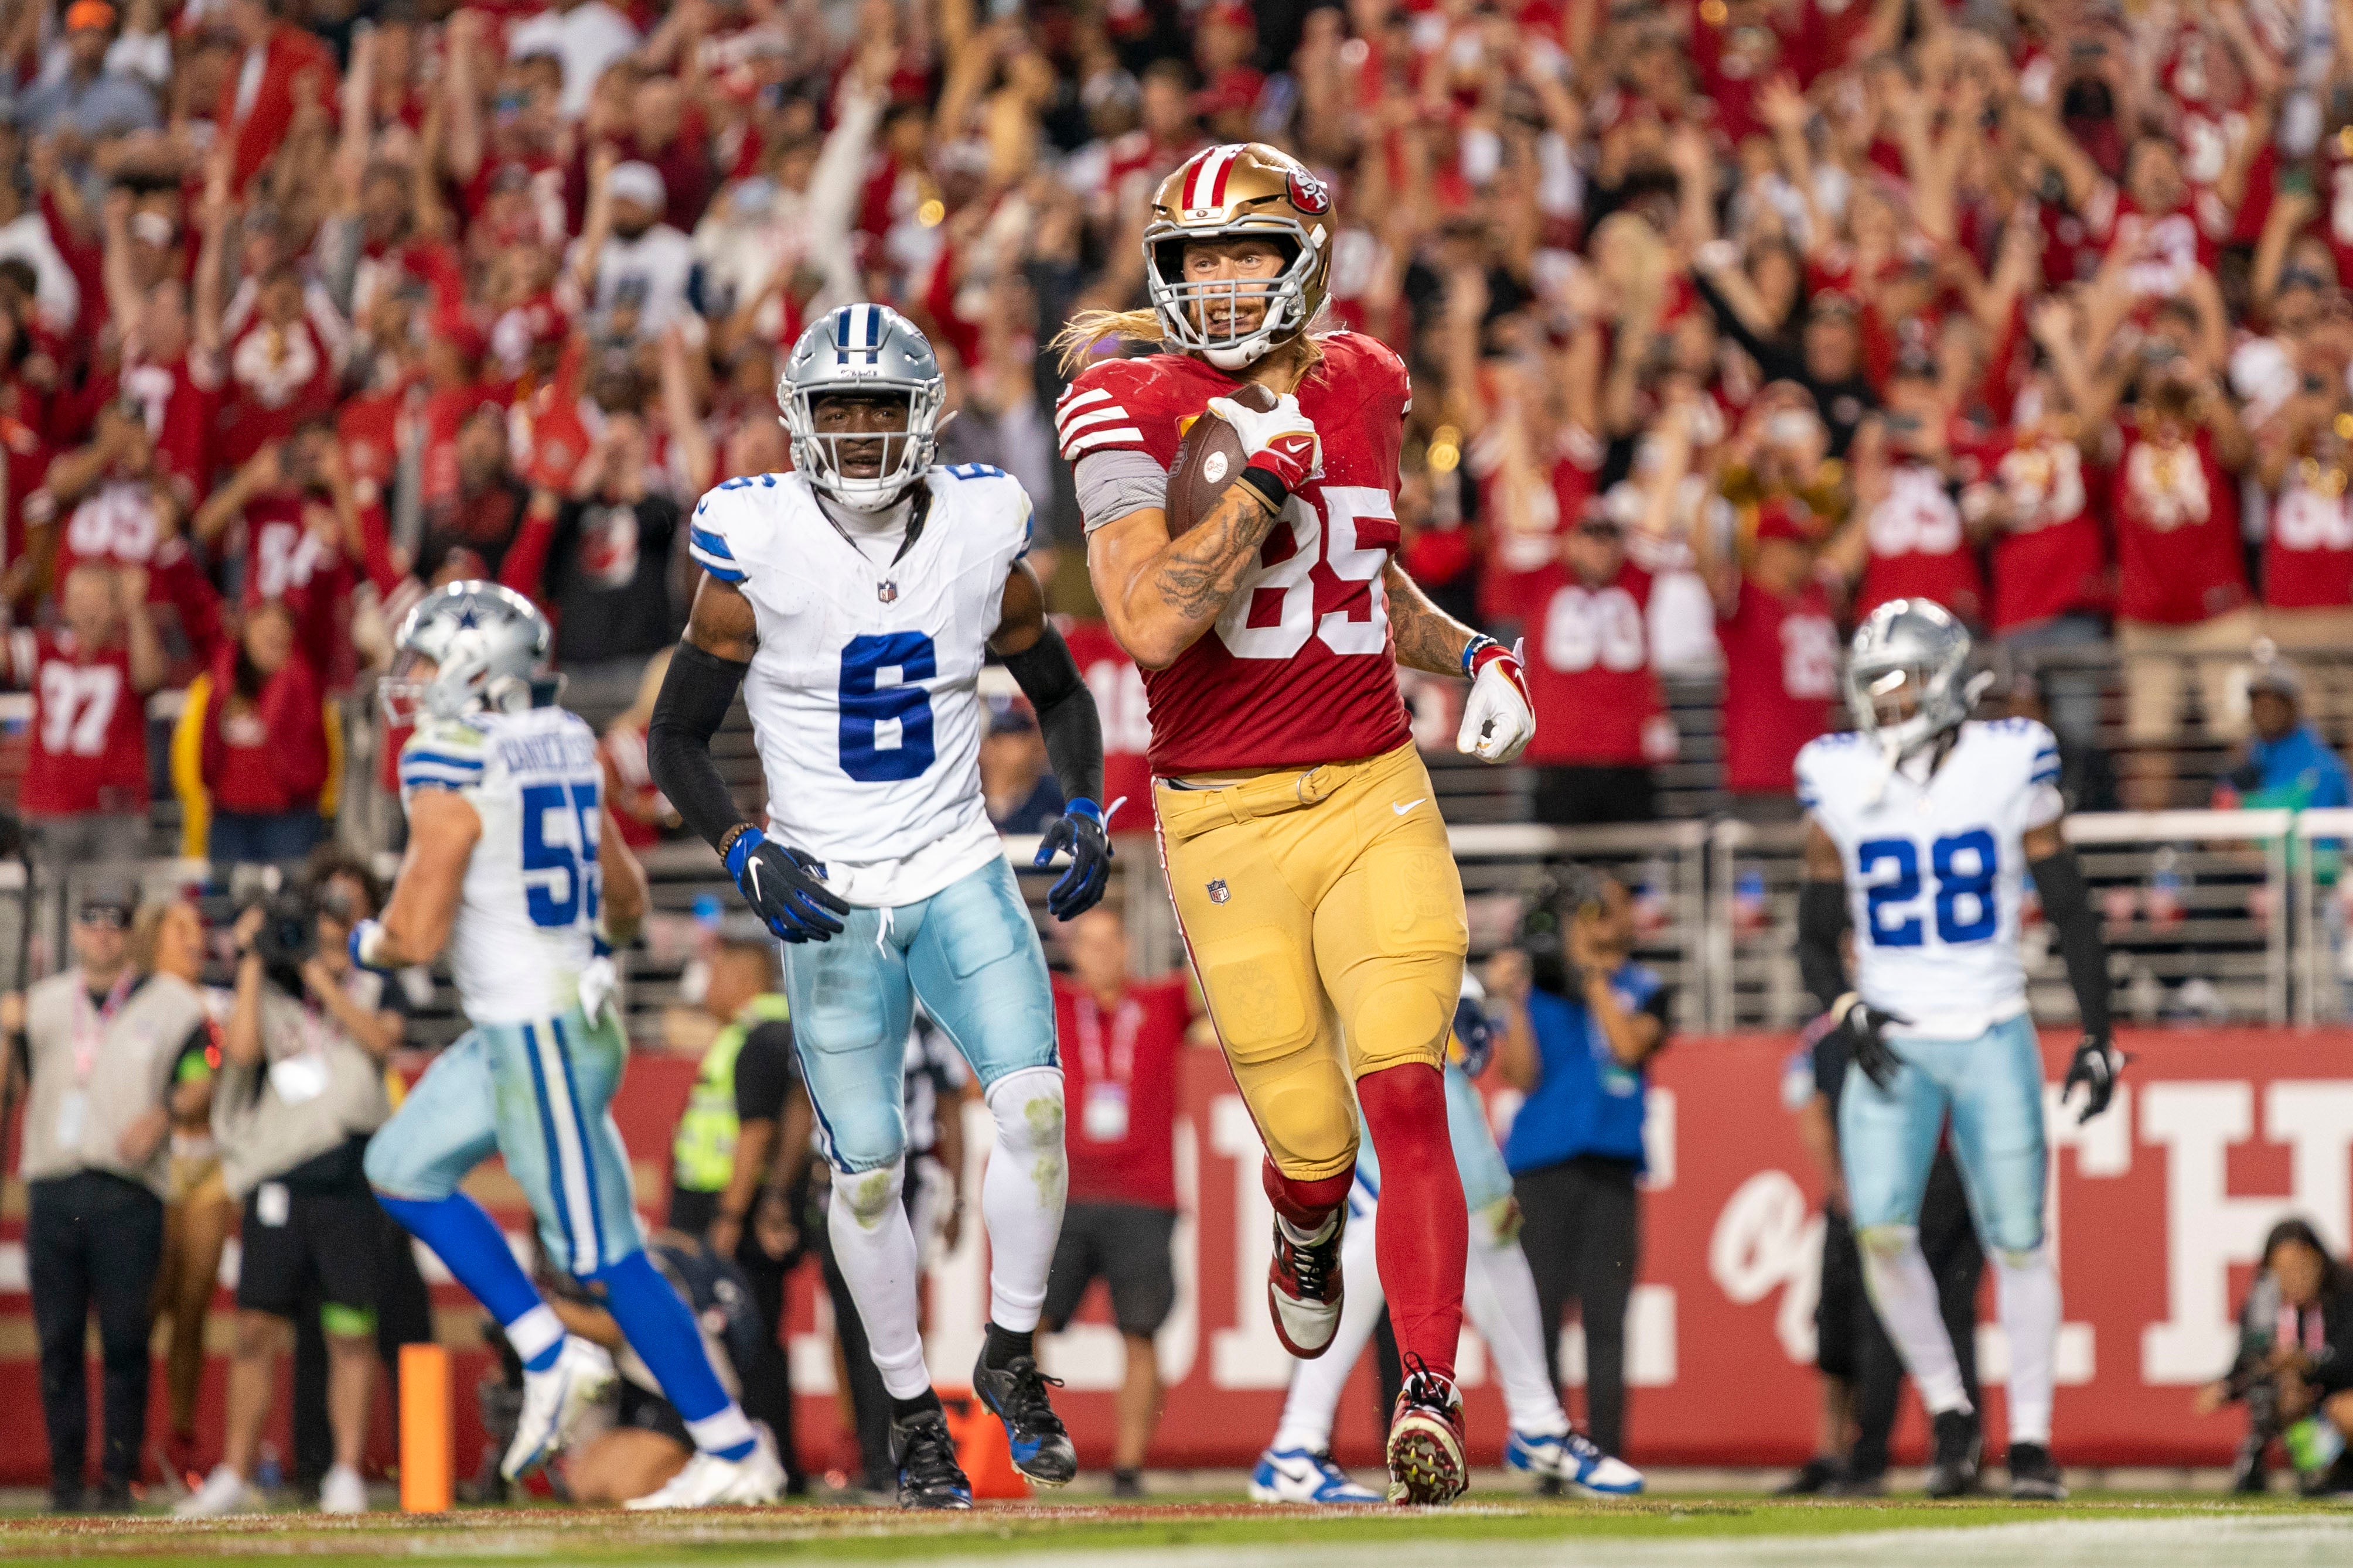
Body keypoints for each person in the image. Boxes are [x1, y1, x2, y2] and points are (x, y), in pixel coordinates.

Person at [1058, 141, 1536, 1504]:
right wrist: (1256, 489)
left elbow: (1359, 579)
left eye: (1245, 251)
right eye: (1196, 257)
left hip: (1374, 783)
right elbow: (1150, 620)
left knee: (1409, 1084)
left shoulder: (1366, 381)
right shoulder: (1119, 401)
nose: (1219, 280)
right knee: (1312, 1145)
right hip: (1221, 820)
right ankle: (1306, 1223)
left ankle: (1426, 1392)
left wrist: (1473, 654)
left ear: (1302, 259)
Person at [647, 303, 1109, 1509]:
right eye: (838, 407)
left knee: (1037, 1112)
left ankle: (1009, 1355)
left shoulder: (979, 525)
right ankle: (909, 1415)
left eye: (880, 406)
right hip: (830, 895)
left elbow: (1060, 691)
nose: (858, 431)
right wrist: (742, 846)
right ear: (800, 419)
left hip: (955, 864)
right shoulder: (756, 547)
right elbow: (675, 736)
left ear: (926, 416)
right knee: (864, 1173)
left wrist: (1081, 802)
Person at [356, 581, 784, 1508]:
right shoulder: (564, 739)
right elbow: (625, 896)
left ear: (475, 670)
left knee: (606, 1257)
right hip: (554, 1019)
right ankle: (548, 1347)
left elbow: (418, 932)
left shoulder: (446, 754)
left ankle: (731, 1446)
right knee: (400, 1165)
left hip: (536, 1030)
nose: (413, 677)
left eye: (427, 659)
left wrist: (366, 942)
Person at [1795, 599, 2124, 1499]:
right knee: (1879, 1231)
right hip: (1896, 1033)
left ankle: (2032, 1441)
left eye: (1899, 681)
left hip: (1990, 1022)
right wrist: (1846, 1006)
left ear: (1943, 680)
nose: (1884, 702)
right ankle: (1949, 1408)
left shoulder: (2007, 759)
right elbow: (1813, 936)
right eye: (1873, 685)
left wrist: (2099, 1031)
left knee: (2020, 1241)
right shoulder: (1837, 775)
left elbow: (2070, 906)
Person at [1253, 972, 1645, 1505]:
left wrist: (1488, 1187)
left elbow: (1451, 1108)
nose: (1470, 1037)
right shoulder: (1386, 1004)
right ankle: (1296, 1442)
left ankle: (1538, 1423)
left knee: (1484, 1238)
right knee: (1365, 1245)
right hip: (1354, 1123)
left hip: (1376, 1105)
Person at [176, 890, 399, 1517]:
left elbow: (379, 1040)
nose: (316, 932)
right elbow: (242, 1052)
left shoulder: (369, 982)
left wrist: (317, 977)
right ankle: (235, 1470)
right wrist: (252, 957)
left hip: (348, 1176)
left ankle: (346, 1471)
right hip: (279, 1178)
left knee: (350, 1330)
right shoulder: (265, 990)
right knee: (254, 1327)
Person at [3, 893, 212, 1512]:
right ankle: (66, 1480)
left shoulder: (173, 1005)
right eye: (90, 923)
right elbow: (10, 1088)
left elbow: (201, 1075)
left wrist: (165, 1113)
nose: (101, 935)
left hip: (128, 1189)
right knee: (59, 1340)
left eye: (113, 924)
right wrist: (7, 1031)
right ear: (73, 932)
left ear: (129, 934)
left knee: (126, 1338)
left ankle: (119, 1477)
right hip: (54, 1183)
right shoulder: (42, 1003)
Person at [1489, 872, 1669, 1466]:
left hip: (1611, 1168)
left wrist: (1592, 975)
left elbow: (1627, 1047)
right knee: (1538, 1315)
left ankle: (1605, 1451)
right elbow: (1519, 1075)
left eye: (1606, 908)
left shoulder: (1643, 987)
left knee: (1605, 1318)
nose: (1597, 919)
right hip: (1540, 1168)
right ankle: (1547, 1446)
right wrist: (1514, 1000)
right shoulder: (1540, 989)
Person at [1781, 1018, 1983, 1497]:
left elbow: (1816, 1107)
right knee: (1943, 1318)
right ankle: (1956, 1456)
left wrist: (1845, 1181)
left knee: (1889, 1318)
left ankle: (1872, 1460)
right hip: (1950, 1174)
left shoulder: (1841, 1030)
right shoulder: (1953, 1018)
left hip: (1905, 1176)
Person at [1041, 907, 1190, 1497]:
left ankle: (1128, 1468)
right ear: (1073, 951)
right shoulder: (1055, 1001)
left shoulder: (1161, 1002)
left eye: (1111, 942)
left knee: (1141, 1328)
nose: (1101, 953)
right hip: (1067, 1194)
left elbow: (1219, 979)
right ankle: (1033, 1449)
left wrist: (1216, 887)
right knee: (1028, 1322)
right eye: (1090, 942)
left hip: (1143, 1196)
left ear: (1128, 947)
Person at [664, 933, 811, 1494]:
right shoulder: (761, 1033)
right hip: (735, 1210)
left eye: (717, 971)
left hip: (735, 1216)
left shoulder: (759, 1036)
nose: (707, 983)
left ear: (745, 978)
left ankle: (765, 1458)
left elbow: (756, 1132)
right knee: (751, 1339)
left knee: (748, 1341)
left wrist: (727, 1219)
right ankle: (768, 1459)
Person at [2195, 1218, 2353, 1496]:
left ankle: (2343, 1468)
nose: (2295, 1277)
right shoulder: (2264, 1306)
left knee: (2346, 1410)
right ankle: (2314, 1471)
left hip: (2339, 1397)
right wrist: (2227, 1387)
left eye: (2302, 1266)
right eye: (2285, 1270)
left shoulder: (2345, 1296)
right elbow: (2249, 1361)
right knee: (2282, 1394)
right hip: (2302, 1405)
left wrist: (2309, 1363)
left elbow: (2346, 1361)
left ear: (2319, 1262)